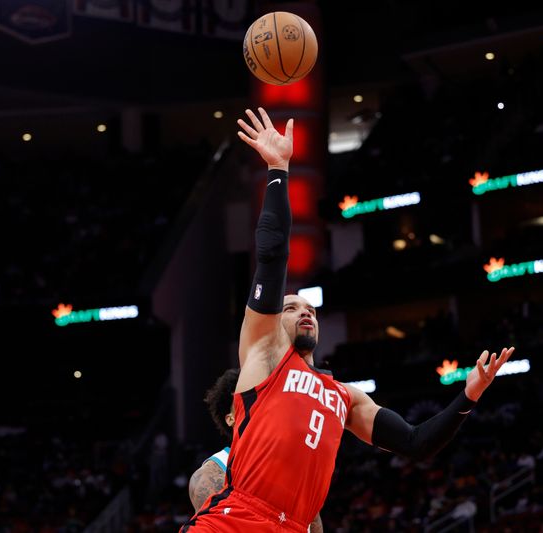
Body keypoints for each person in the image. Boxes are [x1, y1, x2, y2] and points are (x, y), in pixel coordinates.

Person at [180, 108, 515, 533]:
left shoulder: (346, 397)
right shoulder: (263, 356)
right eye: (291, 307)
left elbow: (417, 443)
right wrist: (279, 169)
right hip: (237, 520)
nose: (304, 311)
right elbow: (272, 256)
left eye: (312, 310)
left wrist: (467, 395)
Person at [188, 369, 323, 532]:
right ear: (230, 418)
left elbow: (313, 525)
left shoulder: (293, 467)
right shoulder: (211, 476)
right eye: (246, 402)